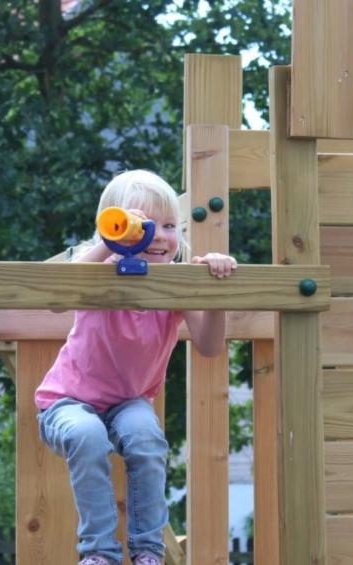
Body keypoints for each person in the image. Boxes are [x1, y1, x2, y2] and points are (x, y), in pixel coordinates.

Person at [34, 170, 237, 565]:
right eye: (143, 225)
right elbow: (57, 298)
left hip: (128, 403)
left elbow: (210, 346)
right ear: (115, 227)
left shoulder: (174, 283)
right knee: (88, 434)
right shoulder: (97, 270)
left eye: (169, 226)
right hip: (66, 402)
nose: (158, 236)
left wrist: (214, 291)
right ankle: (99, 552)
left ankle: (147, 550)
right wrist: (106, 245)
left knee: (146, 437)